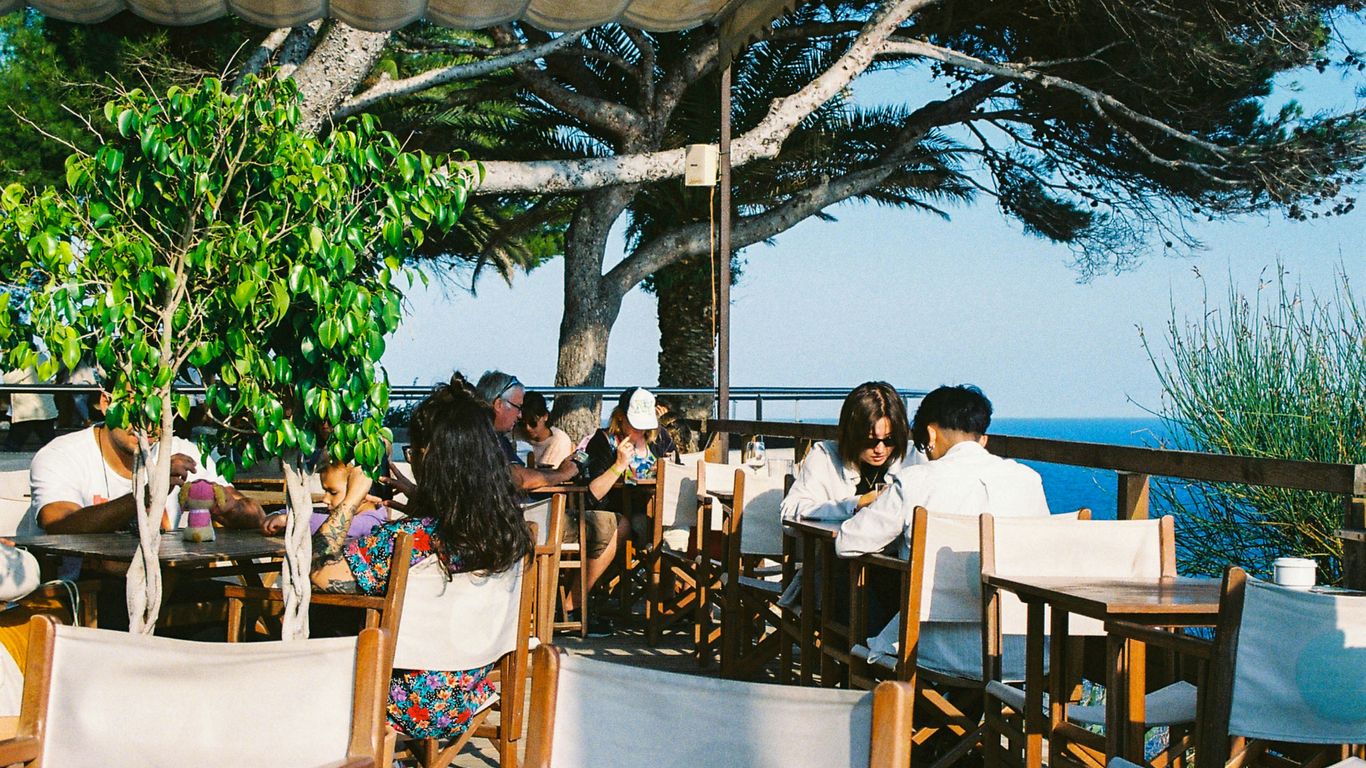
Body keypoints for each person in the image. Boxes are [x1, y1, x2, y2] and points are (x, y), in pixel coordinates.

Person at [308, 377, 532, 743]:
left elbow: (319, 574)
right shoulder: (508, 535)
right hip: (466, 694)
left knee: (326, 615)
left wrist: (351, 500)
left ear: (434, 461)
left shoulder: (407, 540)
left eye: (415, 452)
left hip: (394, 702)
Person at [834, 384, 1049, 675]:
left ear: (931, 434)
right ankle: (963, 719)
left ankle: (916, 713)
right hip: (1025, 650)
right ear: (981, 438)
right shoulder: (1028, 480)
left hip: (936, 647)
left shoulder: (917, 481)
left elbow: (847, 542)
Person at [21, 391, 265, 535]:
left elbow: (255, 517)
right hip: (85, 592)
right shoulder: (61, 455)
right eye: (136, 409)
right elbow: (59, 524)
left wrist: (230, 507)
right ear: (107, 404)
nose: (147, 424)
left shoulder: (182, 451)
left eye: (158, 410)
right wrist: (148, 495)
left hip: (167, 584)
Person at [575, 387, 676, 636]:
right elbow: (595, 493)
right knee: (629, 526)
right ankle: (576, 602)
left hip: (658, 511)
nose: (640, 429)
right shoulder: (604, 441)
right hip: (618, 511)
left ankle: (676, 602)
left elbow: (676, 475)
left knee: (675, 529)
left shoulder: (661, 439)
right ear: (620, 417)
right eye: (634, 423)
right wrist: (619, 465)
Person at [781, 381, 924, 523]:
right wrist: (855, 504)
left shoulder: (913, 457)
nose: (880, 449)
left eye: (889, 440)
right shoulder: (825, 456)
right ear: (851, 435)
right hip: (837, 545)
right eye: (870, 441)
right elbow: (790, 511)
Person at [473, 371, 578, 491]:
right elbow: (519, 478)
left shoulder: (473, 429)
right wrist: (562, 474)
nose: (519, 415)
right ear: (498, 404)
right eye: (517, 407)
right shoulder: (489, 436)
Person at [262, 461, 389, 539]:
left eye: (333, 492)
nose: (325, 499)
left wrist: (291, 519)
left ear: (362, 492)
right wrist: (278, 514)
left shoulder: (372, 522)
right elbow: (315, 515)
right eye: (325, 491)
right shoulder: (336, 513)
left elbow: (346, 526)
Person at [1, 367, 58, 452]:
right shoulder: (42, 357)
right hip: (42, 410)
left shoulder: (28, 364)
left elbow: (8, 380)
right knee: (50, 441)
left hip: (28, 410)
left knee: (12, 444)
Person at [516, 391, 573, 467]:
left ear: (545, 416)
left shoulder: (559, 440)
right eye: (522, 424)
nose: (527, 428)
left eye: (533, 423)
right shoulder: (513, 434)